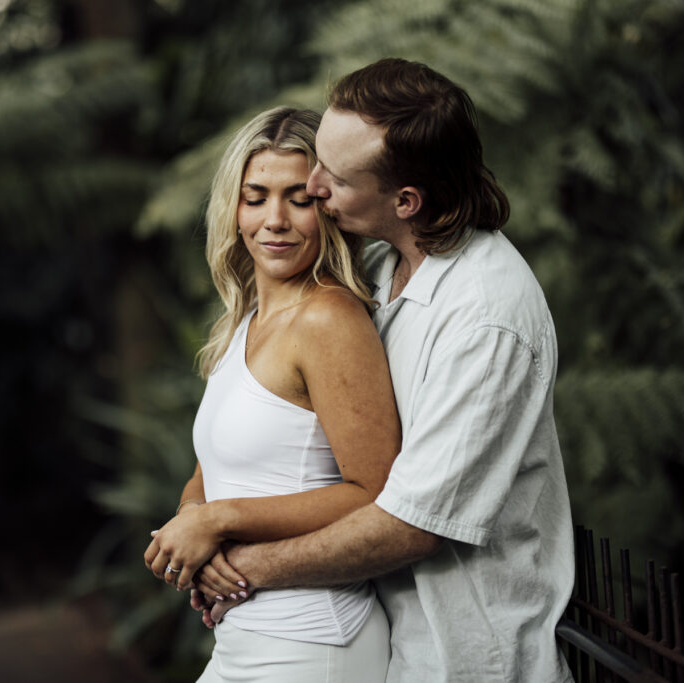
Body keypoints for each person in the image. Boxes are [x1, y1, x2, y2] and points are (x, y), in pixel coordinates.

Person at [192, 58, 576, 682]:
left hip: (463, 654)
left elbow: (410, 523)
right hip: (385, 637)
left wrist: (238, 568)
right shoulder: (376, 269)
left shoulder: (485, 316)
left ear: (406, 200)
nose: (312, 185)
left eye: (333, 179)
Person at [142, 106, 402, 682]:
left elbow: (376, 491)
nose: (275, 219)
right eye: (255, 196)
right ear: (232, 209)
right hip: (246, 636)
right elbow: (214, 465)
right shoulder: (247, 320)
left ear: (326, 206)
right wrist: (194, 521)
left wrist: (219, 521)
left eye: (299, 198)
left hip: (313, 641)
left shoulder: (328, 318)